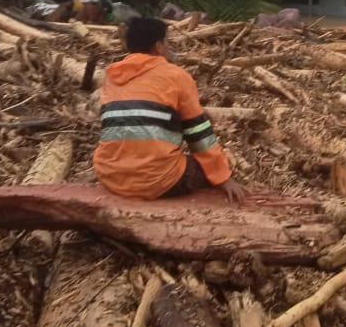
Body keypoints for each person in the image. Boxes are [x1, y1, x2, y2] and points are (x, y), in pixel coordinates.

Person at [93, 17, 249, 204]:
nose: (168, 47)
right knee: (216, 163)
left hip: (111, 177)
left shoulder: (111, 77)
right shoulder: (177, 76)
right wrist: (223, 177)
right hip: (158, 182)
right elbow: (197, 133)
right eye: (167, 42)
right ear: (158, 46)